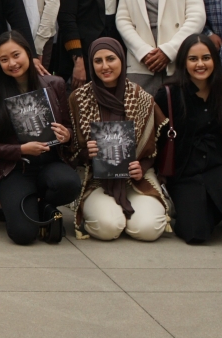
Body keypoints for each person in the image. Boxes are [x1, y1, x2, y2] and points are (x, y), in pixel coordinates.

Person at [0, 31, 79, 245]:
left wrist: (66, 135)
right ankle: (38, 209)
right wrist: (21, 150)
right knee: (23, 234)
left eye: (16, 55)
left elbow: (69, 128)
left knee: (69, 184)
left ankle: (44, 203)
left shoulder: (55, 84)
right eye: (4, 59)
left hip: (49, 164)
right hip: (16, 168)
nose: (12, 63)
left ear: (28, 53)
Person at [68, 38, 168, 242]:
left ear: (122, 60)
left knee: (148, 229)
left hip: (136, 180)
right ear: (91, 64)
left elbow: (155, 147)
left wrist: (142, 166)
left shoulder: (142, 98)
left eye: (111, 59)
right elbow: (70, 153)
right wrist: (88, 152)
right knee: (108, 227)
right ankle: (109, 213)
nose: (105, 66)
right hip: (96, 179)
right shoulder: (78, 99)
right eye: (98, 61)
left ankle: (130, 212)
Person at [154, 35, 222, 245]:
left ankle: (213, 204)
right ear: (183, 62)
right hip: (186, 173)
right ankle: (201, 209)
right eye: (193, 59)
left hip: (220, 167)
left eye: (206, 58)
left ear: (215, 60)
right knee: (196, 233)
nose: (200, 64)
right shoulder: (169, 94)